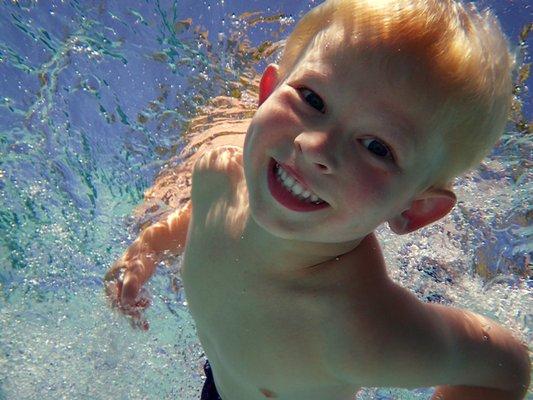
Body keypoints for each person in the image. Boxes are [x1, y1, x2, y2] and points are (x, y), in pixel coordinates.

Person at [104, 0, 531, 398]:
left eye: (377, 147)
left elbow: (506, 363)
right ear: (268, 91)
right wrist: (148, 251)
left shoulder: (361, 332)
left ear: (414, 209)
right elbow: (199, 215)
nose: (315, 147)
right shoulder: (215, 174)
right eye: (312, 98)